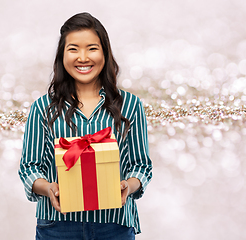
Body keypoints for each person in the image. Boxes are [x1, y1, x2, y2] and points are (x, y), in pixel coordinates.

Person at [19, 12, 152, 240]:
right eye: (73, 49)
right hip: (58, 226)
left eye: (92, 48)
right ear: (62, 55)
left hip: (114, 225)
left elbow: (141, 166)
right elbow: (29, 167)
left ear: (105, 53)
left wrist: (128, 186)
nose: (83, 57)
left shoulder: (130, 105)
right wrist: (48, 188)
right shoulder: (43, 108)